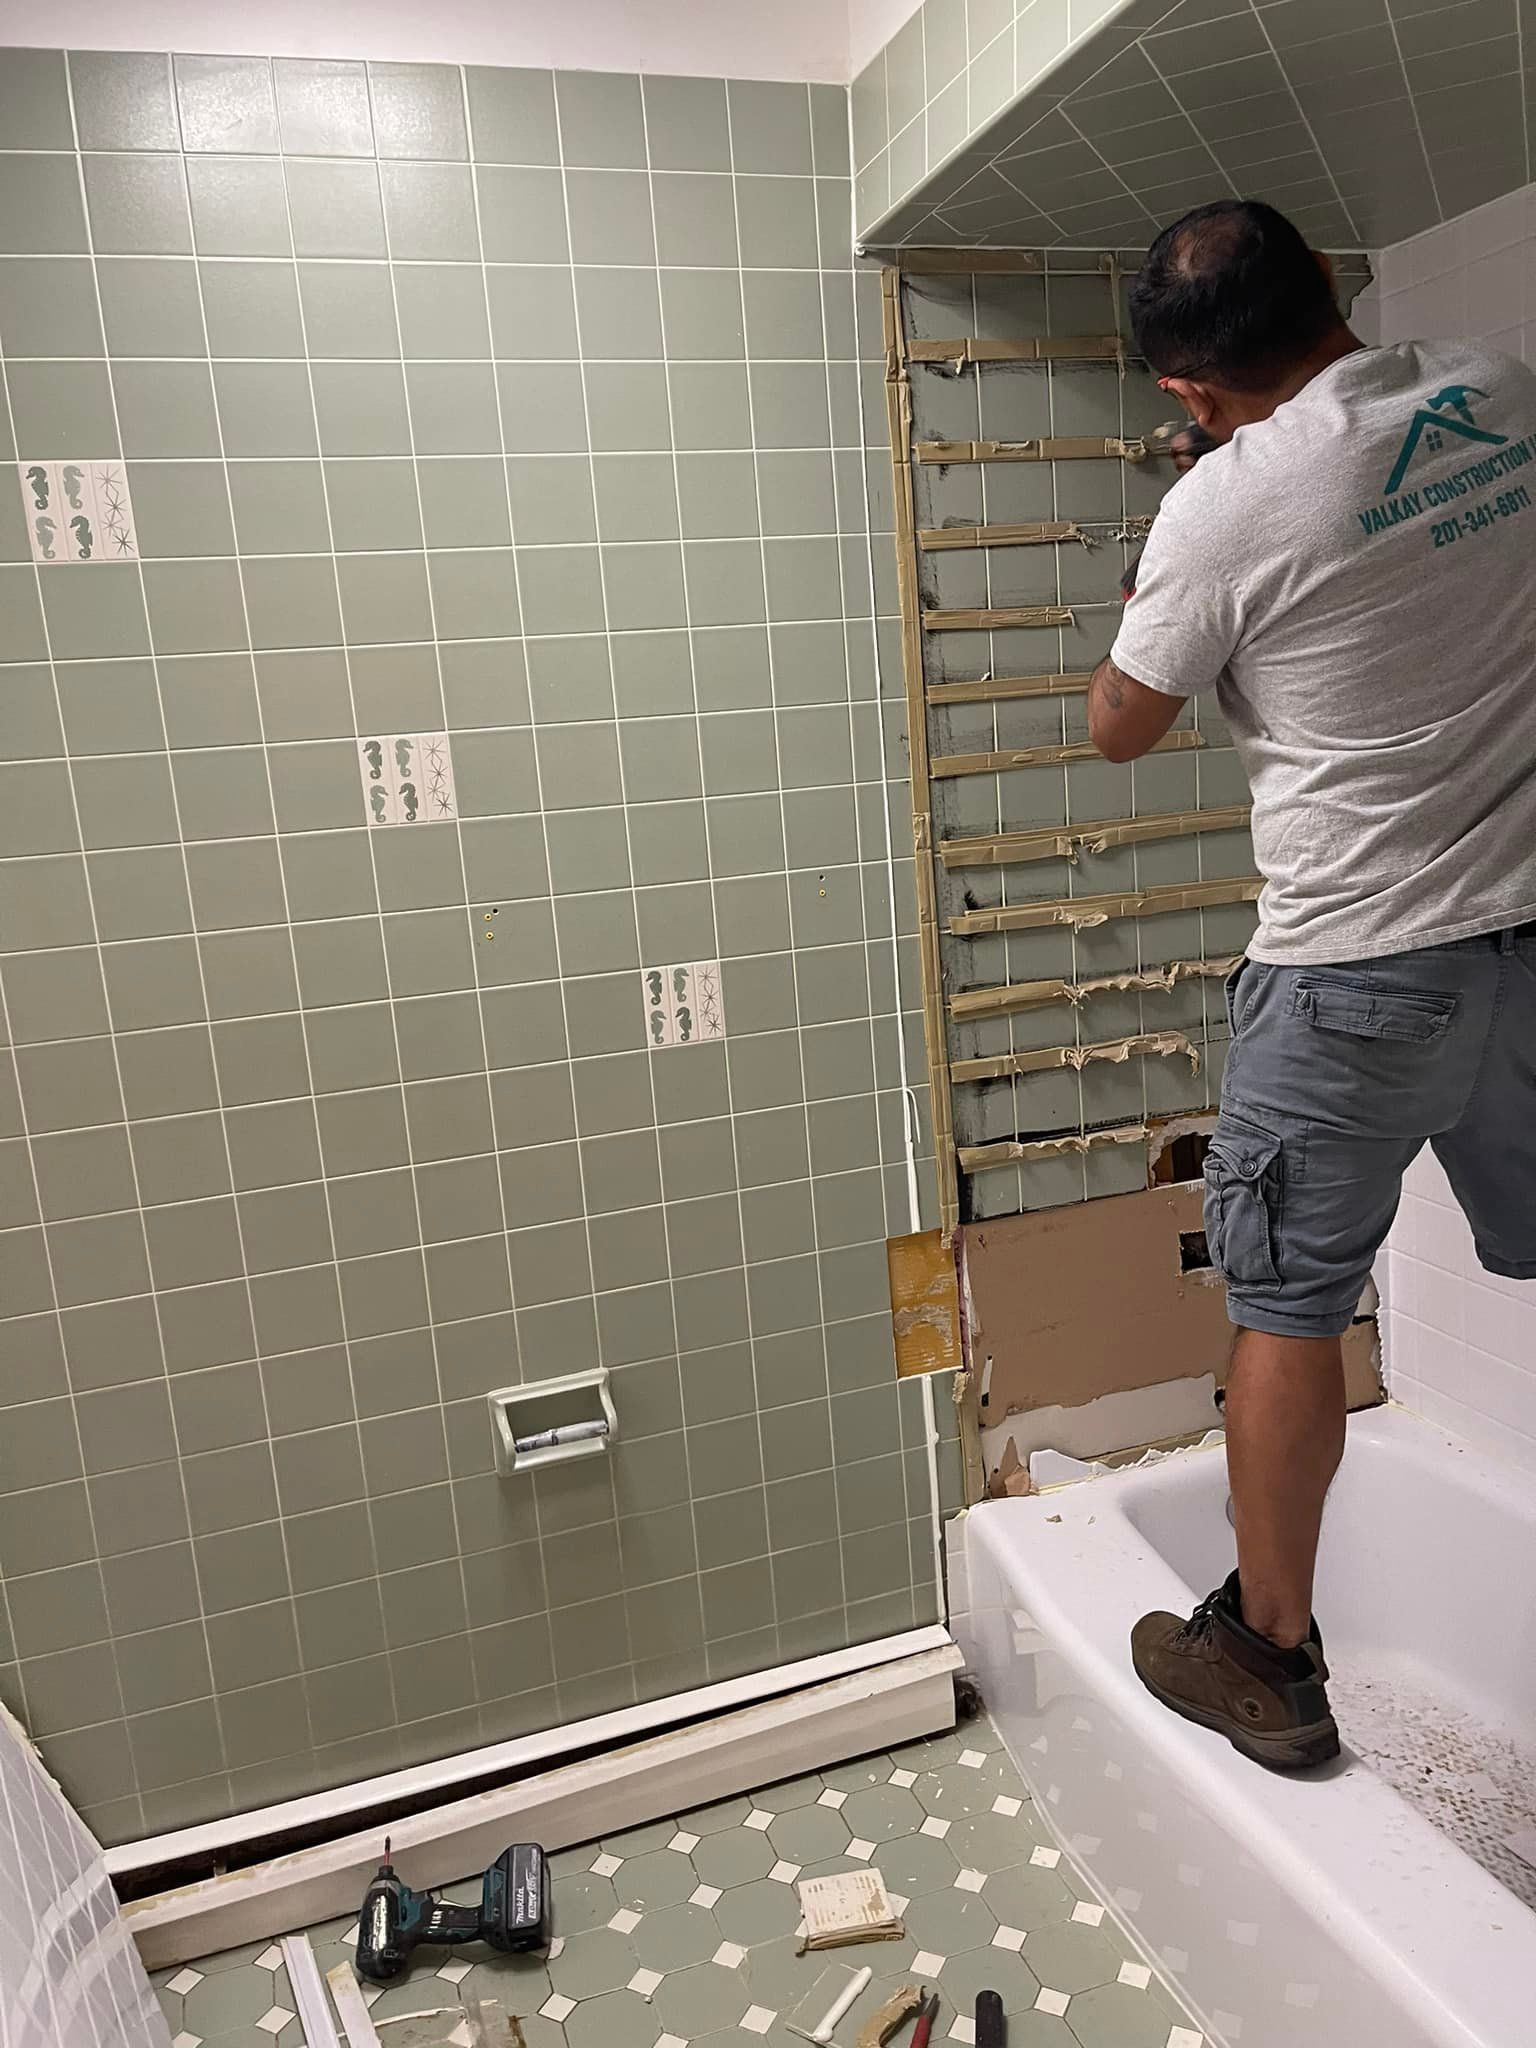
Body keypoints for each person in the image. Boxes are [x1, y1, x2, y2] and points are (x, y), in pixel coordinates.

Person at [1087, 198, 1536, 1770]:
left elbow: (1119, 725)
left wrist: (1177, 545)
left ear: (1190, 390)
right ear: (1332, 291)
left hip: (1350, 969)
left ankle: (1266, 1655)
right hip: (1522, 945)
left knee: (1284, 1309)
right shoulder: (1500, 387)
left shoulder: (1227, 500)